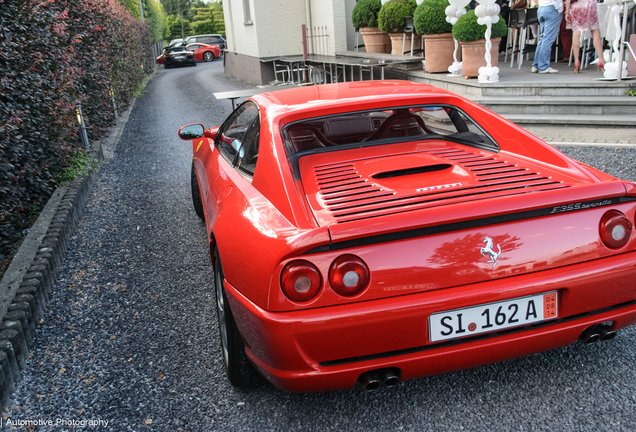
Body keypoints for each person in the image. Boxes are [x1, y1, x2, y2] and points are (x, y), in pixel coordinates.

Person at [564, 0, 605, 73]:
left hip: (576, 6)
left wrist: (567, 12)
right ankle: (601, 60)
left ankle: (576, 61)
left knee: (576, 33)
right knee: (595, 32)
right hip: (590, 5)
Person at [531, 0, 564, 73]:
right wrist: (560, 8)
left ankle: (536, 65)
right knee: (548, 39)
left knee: (543, 38)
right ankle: (543, 66)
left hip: (542, 7)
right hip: (552, 8)